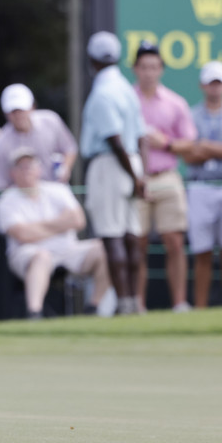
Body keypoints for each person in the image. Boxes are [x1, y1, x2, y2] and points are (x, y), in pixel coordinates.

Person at [0, 148, 110, 319]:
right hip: (27, 253)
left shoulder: (58, 190)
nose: (26, 171)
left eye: (30, 166)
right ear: (12, 173)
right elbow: (23, 234)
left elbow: (78, 221)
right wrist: (60, 223)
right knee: (42, 256)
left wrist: (37, 228)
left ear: (39, 169)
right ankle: (35, 313)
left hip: (68, 250)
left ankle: (93, 308)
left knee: (106, 248)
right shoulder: (6, 200)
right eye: (21, 167)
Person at [79, 31, 147, 316]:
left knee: (113, 236)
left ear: (93, 60)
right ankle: (132, 300)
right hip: (132, 162)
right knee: (130, 235)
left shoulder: (103, 93)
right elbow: (140, 137)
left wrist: (134, 176)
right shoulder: (127, 89)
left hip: (112, 164)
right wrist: (140, 173)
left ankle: (124, 303)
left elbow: (114, 139)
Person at [169, 62, 222, 308]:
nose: (215, 88)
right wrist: (221, 150)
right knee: (201, 252)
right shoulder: (190, 114)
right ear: (202, 86)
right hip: (200, 186)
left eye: (219, 83)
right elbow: (189, 155)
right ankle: (201, 309)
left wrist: (205, 146)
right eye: (211, 83)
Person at [132, 41, 197, 312]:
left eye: (154, 67)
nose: (149, 72)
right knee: (138, 243)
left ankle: (180, 302)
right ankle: (136, 303)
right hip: (136, 177)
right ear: (136, 69)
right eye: (144, 67)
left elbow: (189, 144)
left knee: (174, 241)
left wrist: (165, 143)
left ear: (161, 70)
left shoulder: (175, 102)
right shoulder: (127, 100)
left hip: (167, 175)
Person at [0, 83, 78, 189]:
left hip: (55, 187)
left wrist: (65, 168)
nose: (18, 115)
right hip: (22, 197)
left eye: (21, 110)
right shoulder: (0, 144)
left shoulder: (51, 121)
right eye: (13, 111)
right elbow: (0, 184)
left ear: (32, 107)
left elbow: (70, 148)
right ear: (5, 113)